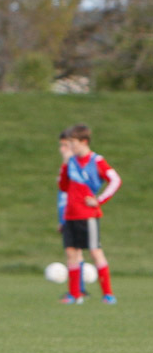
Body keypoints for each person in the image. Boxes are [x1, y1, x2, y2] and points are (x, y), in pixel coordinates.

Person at [57, 123, 121, 305]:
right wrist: (65, 165)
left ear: (84, 142)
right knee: (71, 253)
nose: (71, 147)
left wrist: (99, 200)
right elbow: (63, 186)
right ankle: (74, 295)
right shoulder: (71, 162)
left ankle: (108, 294)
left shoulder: (96, 160)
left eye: (73, 143)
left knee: (95, 252)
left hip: (88, 215)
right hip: (70, 215)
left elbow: (115, 180)